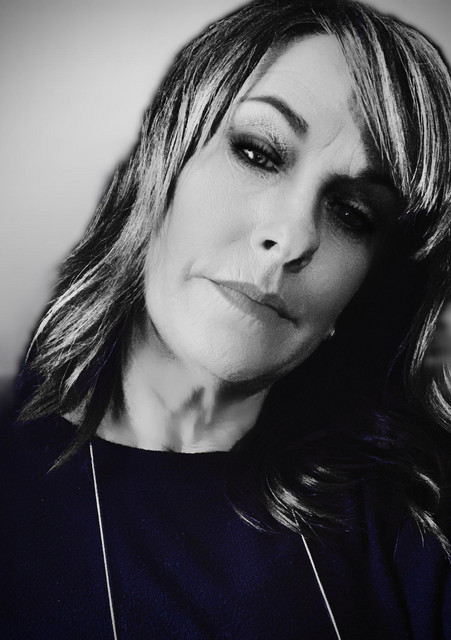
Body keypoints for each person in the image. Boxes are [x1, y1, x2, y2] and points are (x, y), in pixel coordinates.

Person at [1, 0, 451, 638]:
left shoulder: (414, 514)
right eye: (258, 152)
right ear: (161, 166)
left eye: (354, 213)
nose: (293, 238)